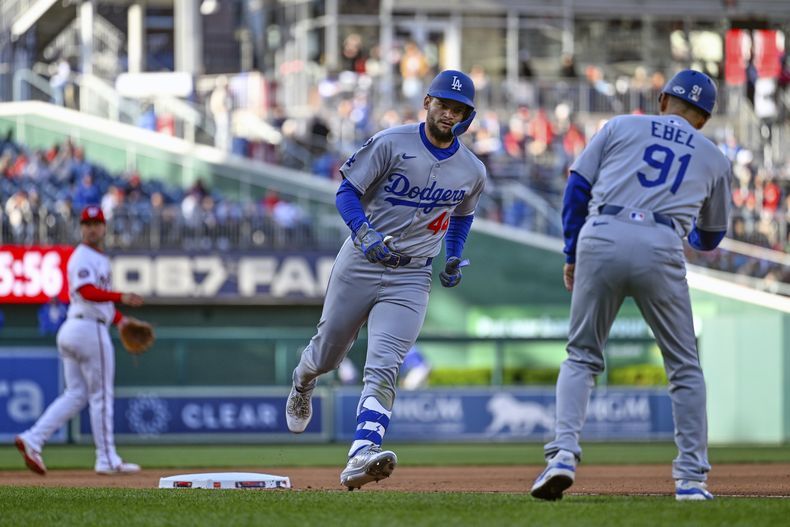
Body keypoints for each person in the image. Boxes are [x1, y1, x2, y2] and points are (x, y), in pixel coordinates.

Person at [530, 70, 731, 502]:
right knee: (684, 368)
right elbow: (711, 237)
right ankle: (691, 481)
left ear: (662, 100)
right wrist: (683, 231)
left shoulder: (622, 124)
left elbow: (577, 189)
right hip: (661, 243)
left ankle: (562, 455)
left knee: (581, 354)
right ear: (704, 118)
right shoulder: (714, 156)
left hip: (603, 232)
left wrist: (571, 252)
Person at [285, 70, 486, 490]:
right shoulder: (391, 142)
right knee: (327, 353)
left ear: (468, 115)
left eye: (459, 109)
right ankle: (302, 383)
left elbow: (462, 217)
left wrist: (453, 256)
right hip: (360, 260)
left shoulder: (472, 169)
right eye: (444, 104)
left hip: (412, 274)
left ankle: (362, 453)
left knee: (384, 365)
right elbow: (346, 191)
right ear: (427, 102)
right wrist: (363, 232)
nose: (450, 114)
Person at [15, 206, 147, 476]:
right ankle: (106, 458)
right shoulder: (82, 256)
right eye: (87, 223)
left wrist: (120, 319)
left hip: (77, 327)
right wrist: (120, 296)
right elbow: (86, 292)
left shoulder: (98, 258)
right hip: (88, 330)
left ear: (104, 227)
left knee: (76, 394)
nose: (92, 228)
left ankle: (33, 438)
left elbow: (101, 303)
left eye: (96, 223)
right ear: (81, 227)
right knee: (102, 395)